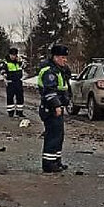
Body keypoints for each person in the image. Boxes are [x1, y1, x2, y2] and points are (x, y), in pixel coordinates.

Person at [37, 44, 73, 173]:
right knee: (53, 135)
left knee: (58, 135)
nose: (65, 60)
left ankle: (56, 161)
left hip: (57, 108)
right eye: (63, 57)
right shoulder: (49, 71)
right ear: (55, 57)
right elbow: (49, 92)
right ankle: (48, 164)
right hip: (50, 109)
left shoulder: (59, 70)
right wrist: (57, 105)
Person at [3, 48, 26, 118]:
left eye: (14, 55)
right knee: (10, 97)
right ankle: (11, 112)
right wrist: (4, 75)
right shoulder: (6, 62)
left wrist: (21, 62)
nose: (13, 56)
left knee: (20, 97)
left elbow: (24, 66)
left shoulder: (18, 61)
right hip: (10, 82)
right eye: (12, 55)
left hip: (18, 81)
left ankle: (20, 112)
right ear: (9, 55)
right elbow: (2, 69)